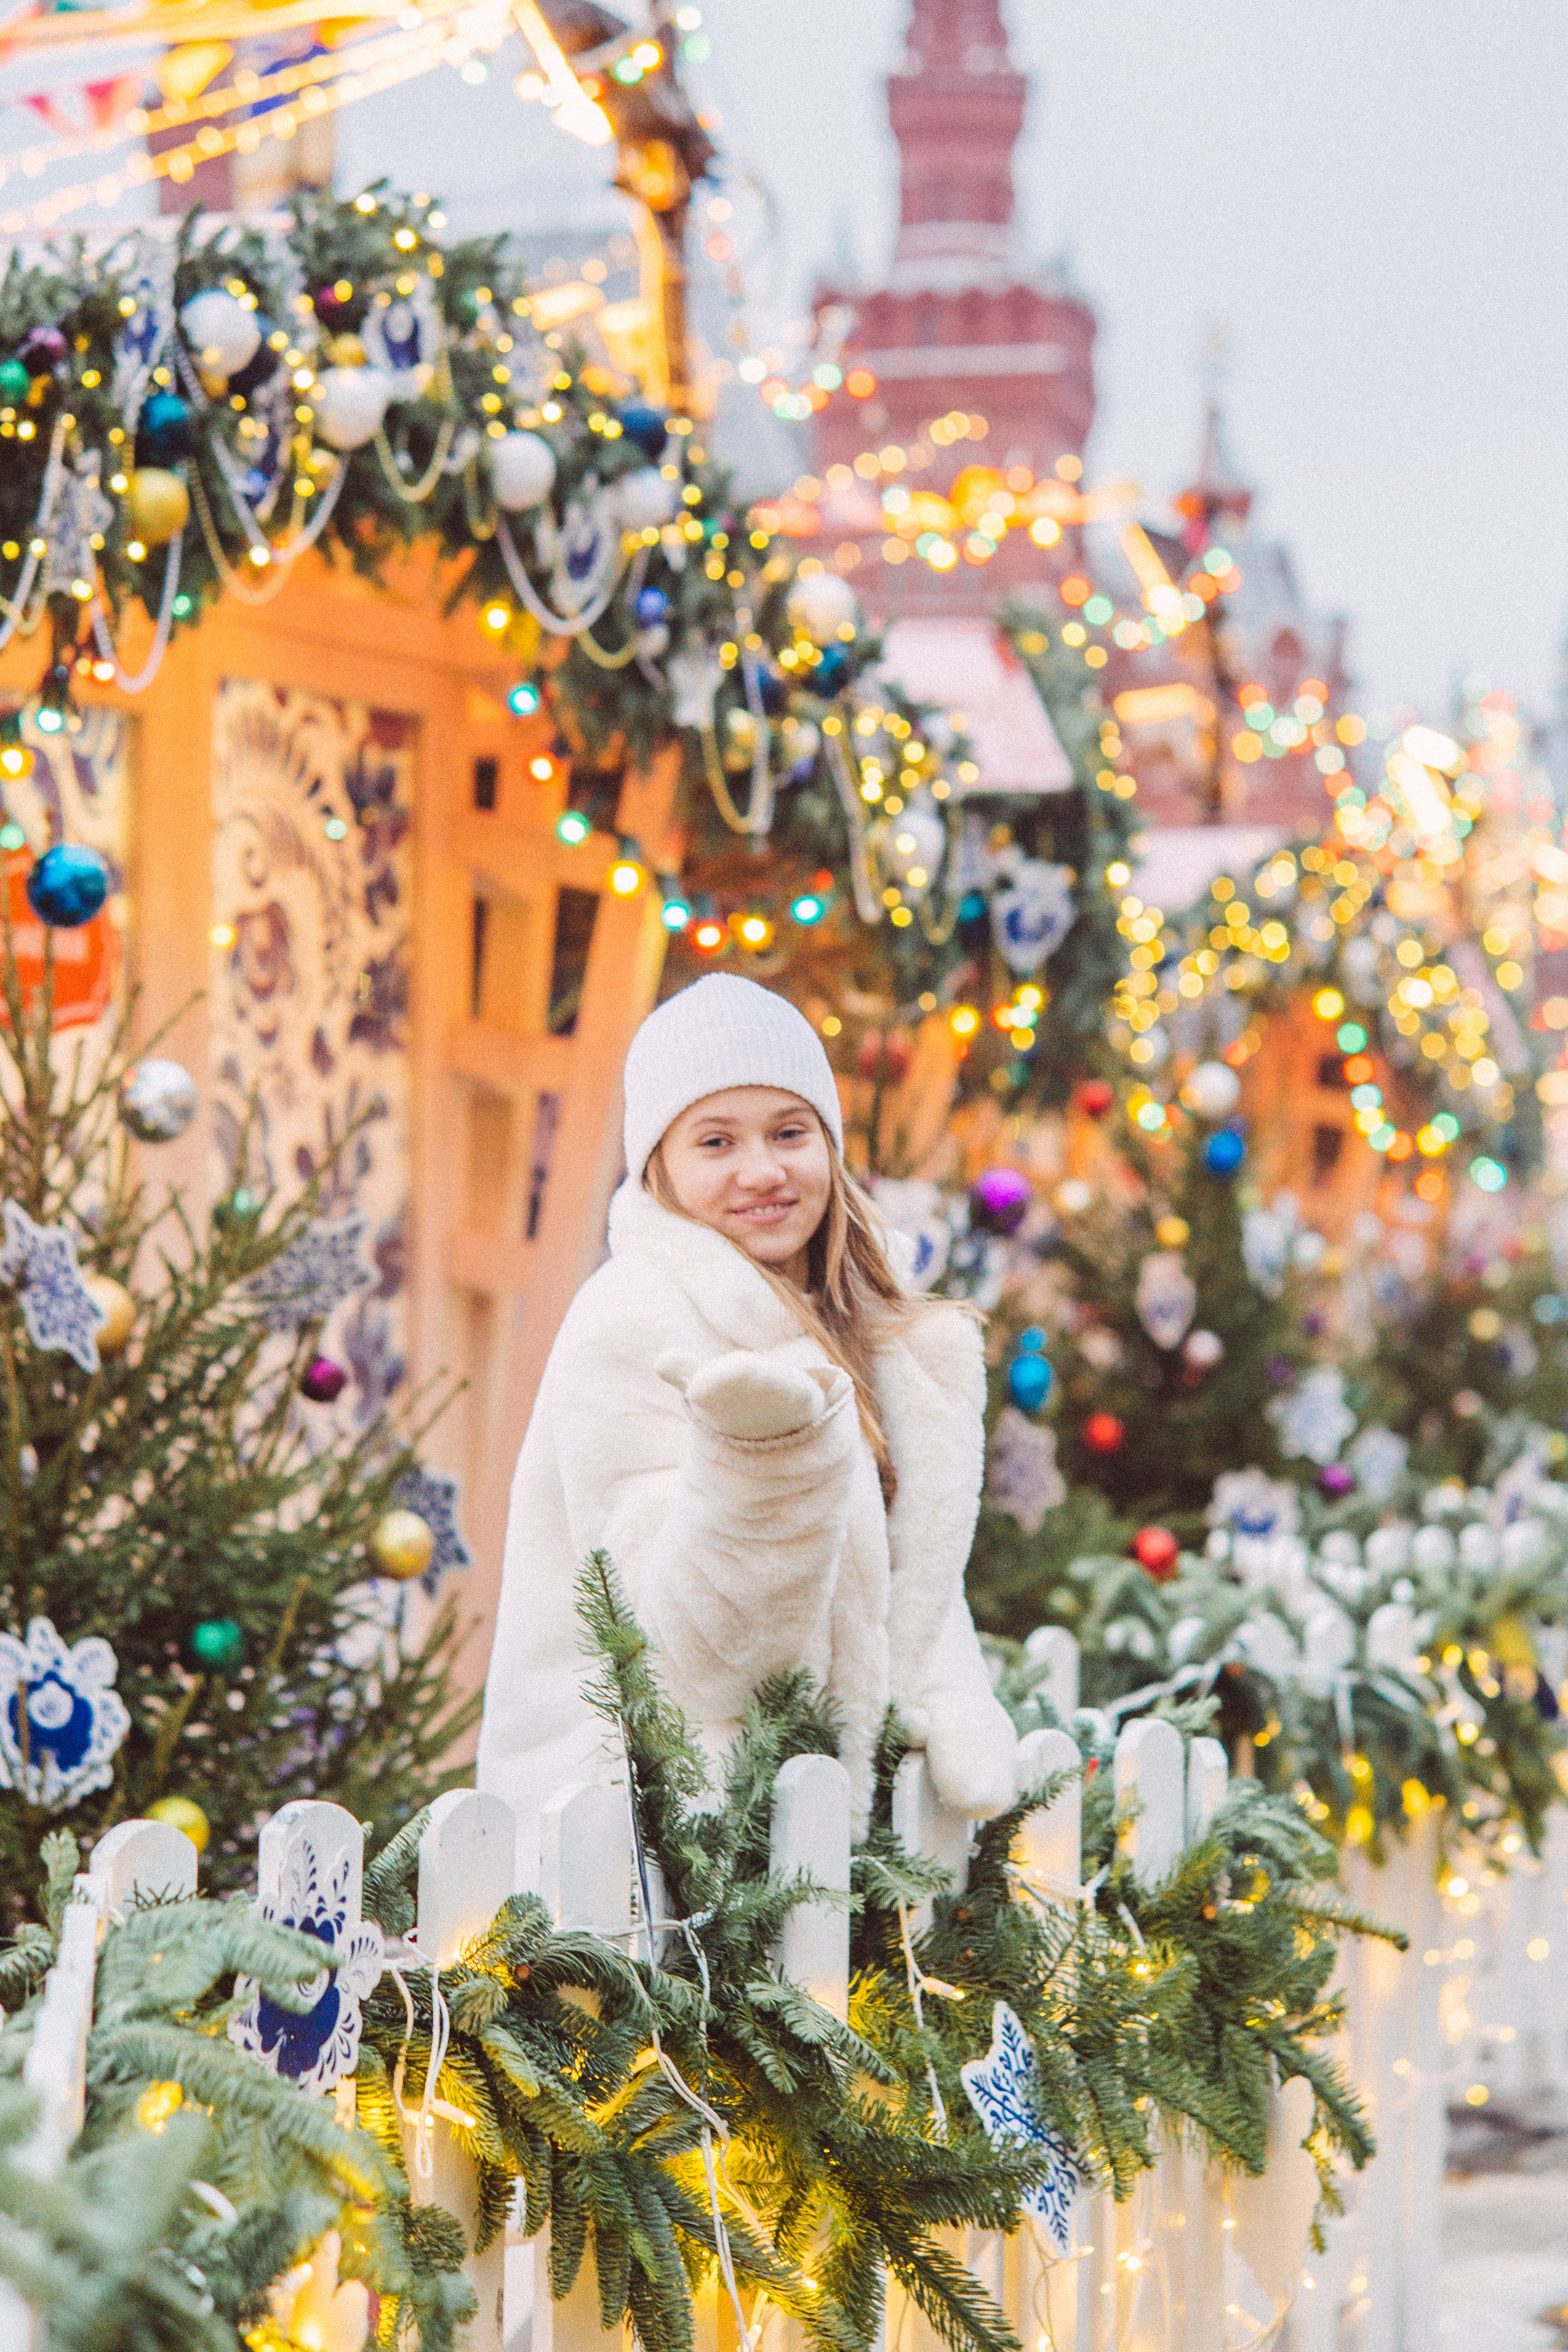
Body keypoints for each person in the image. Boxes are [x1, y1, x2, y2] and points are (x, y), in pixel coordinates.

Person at [476, 973, 1018, 1847]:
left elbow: (906, 1577)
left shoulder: (876, 1328)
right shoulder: (631, 1321)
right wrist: (763, 1467)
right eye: (716, 1141)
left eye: (789, 1132)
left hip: (834, 1842)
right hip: (650, 1849)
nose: (762, 1171)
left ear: (829, 1145)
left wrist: (950, 1692)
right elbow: (690, 1662)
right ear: (662, 1164)